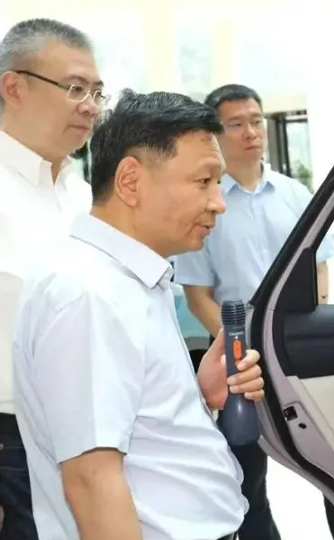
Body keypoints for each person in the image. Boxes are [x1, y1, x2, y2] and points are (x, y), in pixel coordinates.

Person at [11, 89, 267, 540]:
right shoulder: (89, 294)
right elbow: (92, 482)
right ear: (130, 181)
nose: (219, 202)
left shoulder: (130, 279)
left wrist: (196, 395)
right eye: (203, 181)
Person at [174, 83, 334, 540]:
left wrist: (310, 332)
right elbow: (199, 297)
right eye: (236, 124)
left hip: (296, 351)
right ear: (215, 133)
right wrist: (242, 353)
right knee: (245, 480)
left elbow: (319, 269)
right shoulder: (206, 206)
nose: (251, 132)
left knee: (333, 469)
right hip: (238, 364)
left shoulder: (294, 193)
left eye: (257, 120)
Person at [0, 18, 105, 539]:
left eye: (97, 93)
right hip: (12, 445)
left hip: (94, 438)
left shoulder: (82, 195)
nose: (90, 106)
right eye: (74, 88)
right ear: (13, 87)